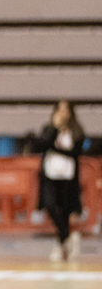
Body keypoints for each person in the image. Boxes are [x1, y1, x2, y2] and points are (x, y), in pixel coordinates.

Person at [37, 99, 85, 262]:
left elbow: (75, 153)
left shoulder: (76, 131)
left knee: (65, 210)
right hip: (50, 175)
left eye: (66, 110)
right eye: (60, 110)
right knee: (50, 205)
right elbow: (42, 146)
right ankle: (67, 237)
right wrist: (55, 129)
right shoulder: (49, 129)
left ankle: (61, 242)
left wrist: (55, 149)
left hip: (68, 177)